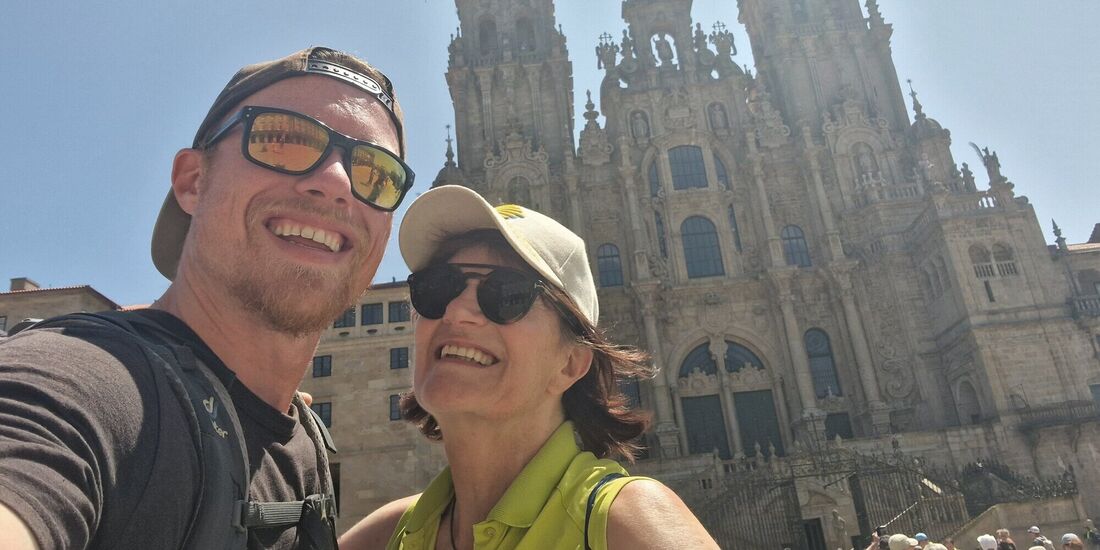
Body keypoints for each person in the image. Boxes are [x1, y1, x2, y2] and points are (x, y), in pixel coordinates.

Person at [0, 46, 413, 549]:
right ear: (193, 182)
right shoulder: (78, 386)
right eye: (282, 139)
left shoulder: (300, 440)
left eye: (375, 173)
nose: (335, 182)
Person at [339, 185, 718, 549]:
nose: (456, 311)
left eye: (507, 294)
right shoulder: (390, 533)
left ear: (570, 363)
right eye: (438, 287)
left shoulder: (625, 523)